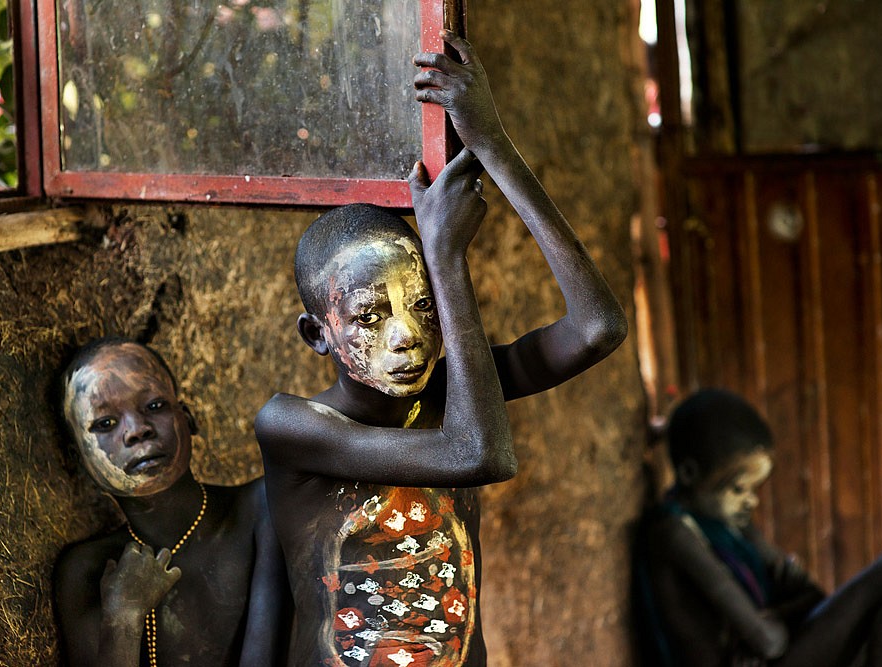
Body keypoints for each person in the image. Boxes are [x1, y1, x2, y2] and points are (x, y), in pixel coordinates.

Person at [254, 31, 628, 667]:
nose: (405, 335)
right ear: (318, 334)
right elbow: (478, 453)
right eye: (370, 316)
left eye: (423, 307)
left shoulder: (456, 394)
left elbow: (598, 327)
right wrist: (445, 259)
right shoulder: (294, 425)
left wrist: (492, 147)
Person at [54, 337, 292, 667]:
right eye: (105, 423)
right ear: (80, 458)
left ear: (188, 418)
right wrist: (123, 618)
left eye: (154, 406)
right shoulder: (88, 572)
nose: (137, 430)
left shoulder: (263, 506)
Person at [632, 387, 882, 667]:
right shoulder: (674, 533)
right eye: (738, 489)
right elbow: (769, 642)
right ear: (689, 474)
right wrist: (777, 618)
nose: (751, 501)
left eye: (754, 489)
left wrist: (775, 616)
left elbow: (811, 596)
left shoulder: (729, 524)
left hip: (771, 657)